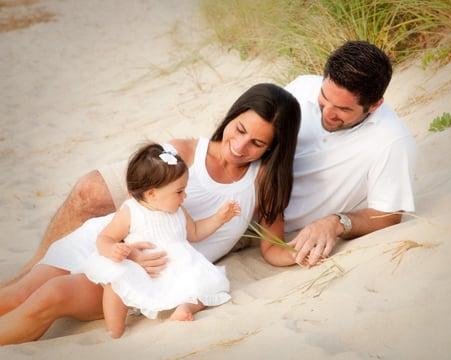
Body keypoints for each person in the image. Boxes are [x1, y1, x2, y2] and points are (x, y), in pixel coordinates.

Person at [0, 82, 301, 344]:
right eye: (240, 129)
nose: (239, 146)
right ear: (233, 116)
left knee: (50, 296)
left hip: (149, 272)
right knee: (18, 293)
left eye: (257, 143)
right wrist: (123, 249)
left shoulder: (262, 184)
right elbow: (136, 209)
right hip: (110, 240)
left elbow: (273, 247)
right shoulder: (184, 151)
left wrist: (301, 253)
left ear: (274, 148)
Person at [54, 143, 241, 338]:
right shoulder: (131, 211)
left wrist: (220, 218)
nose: (184, 196)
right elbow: (105, 237)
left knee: (207, 283)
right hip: (145, 269)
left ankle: (185, 308)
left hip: (180, 266)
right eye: (179, 191)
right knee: (116, 281)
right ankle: (114, 329)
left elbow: (195, 232)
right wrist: (112, 249)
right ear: (152, 193)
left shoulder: (178, 211)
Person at [284, 40, 416, 266]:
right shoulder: (301, 87)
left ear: (374, 105)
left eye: (344, 109)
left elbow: (389, 215)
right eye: (324, 98)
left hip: (282, 231)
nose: (328, 113)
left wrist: (337, 223)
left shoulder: (392, 141)